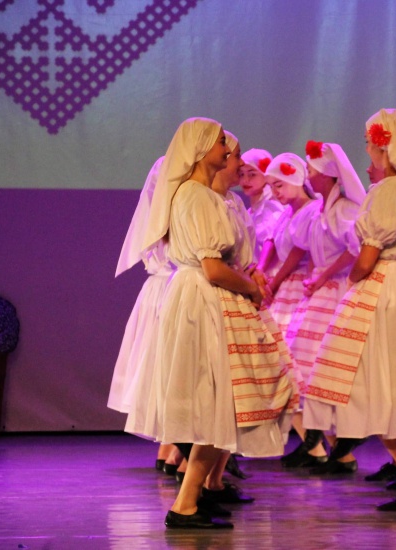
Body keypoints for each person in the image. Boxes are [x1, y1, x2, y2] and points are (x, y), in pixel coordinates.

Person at [138, 117, 295, 529]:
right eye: (222, 143)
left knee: (218, 404)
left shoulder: (205, 197)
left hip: (207, 296)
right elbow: (212, 268)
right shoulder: (196, 197)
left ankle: (194, 497)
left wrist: (247, 279)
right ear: (200, 149)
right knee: (212, 403)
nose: (228, 151)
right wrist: (252, 289)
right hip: (202, 299)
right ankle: (185, 505)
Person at [303, 109, 396, 511]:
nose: (366, 151)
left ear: (384, 147)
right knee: (392, 387)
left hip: (386, 287)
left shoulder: (390, 190)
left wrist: (352, 284)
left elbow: (367, 257)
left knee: (373, 388)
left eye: (369, 144)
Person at [281, 141, 365, 472]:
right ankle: (322, 444)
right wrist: (314, 277)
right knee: (304, 366)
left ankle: (339, 451)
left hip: (336, 290)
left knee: (326, 369)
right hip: (318, 291)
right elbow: (304, 246)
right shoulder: (318, 211)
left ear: (329, 176)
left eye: (312, 171)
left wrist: (324, 274)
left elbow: (354, 250)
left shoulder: (344, 211)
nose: (308, 176)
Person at [108, 157, 182, 476]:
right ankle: (173, 444)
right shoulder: (175, 211)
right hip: (171, 290)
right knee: (172, 368)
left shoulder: (157, 211)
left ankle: (169, 445)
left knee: (163, 368)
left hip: (158, 291)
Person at [258, 153, 321, 338]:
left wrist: (275, 283)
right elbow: (273, 242)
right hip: (286, 280)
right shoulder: (287, 213)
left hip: (300, 281)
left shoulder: (312, 209)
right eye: (271, 187)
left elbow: (298, 251)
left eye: (279, 185)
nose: (275, 192)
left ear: (297, 179)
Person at [238, 148, 284, 269]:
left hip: (270, 272)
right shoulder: (251, 211)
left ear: (266, 174)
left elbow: (271, 240)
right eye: (241, 174)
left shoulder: (271, 205)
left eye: (252, 174)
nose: (245, 180)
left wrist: (260, 269)